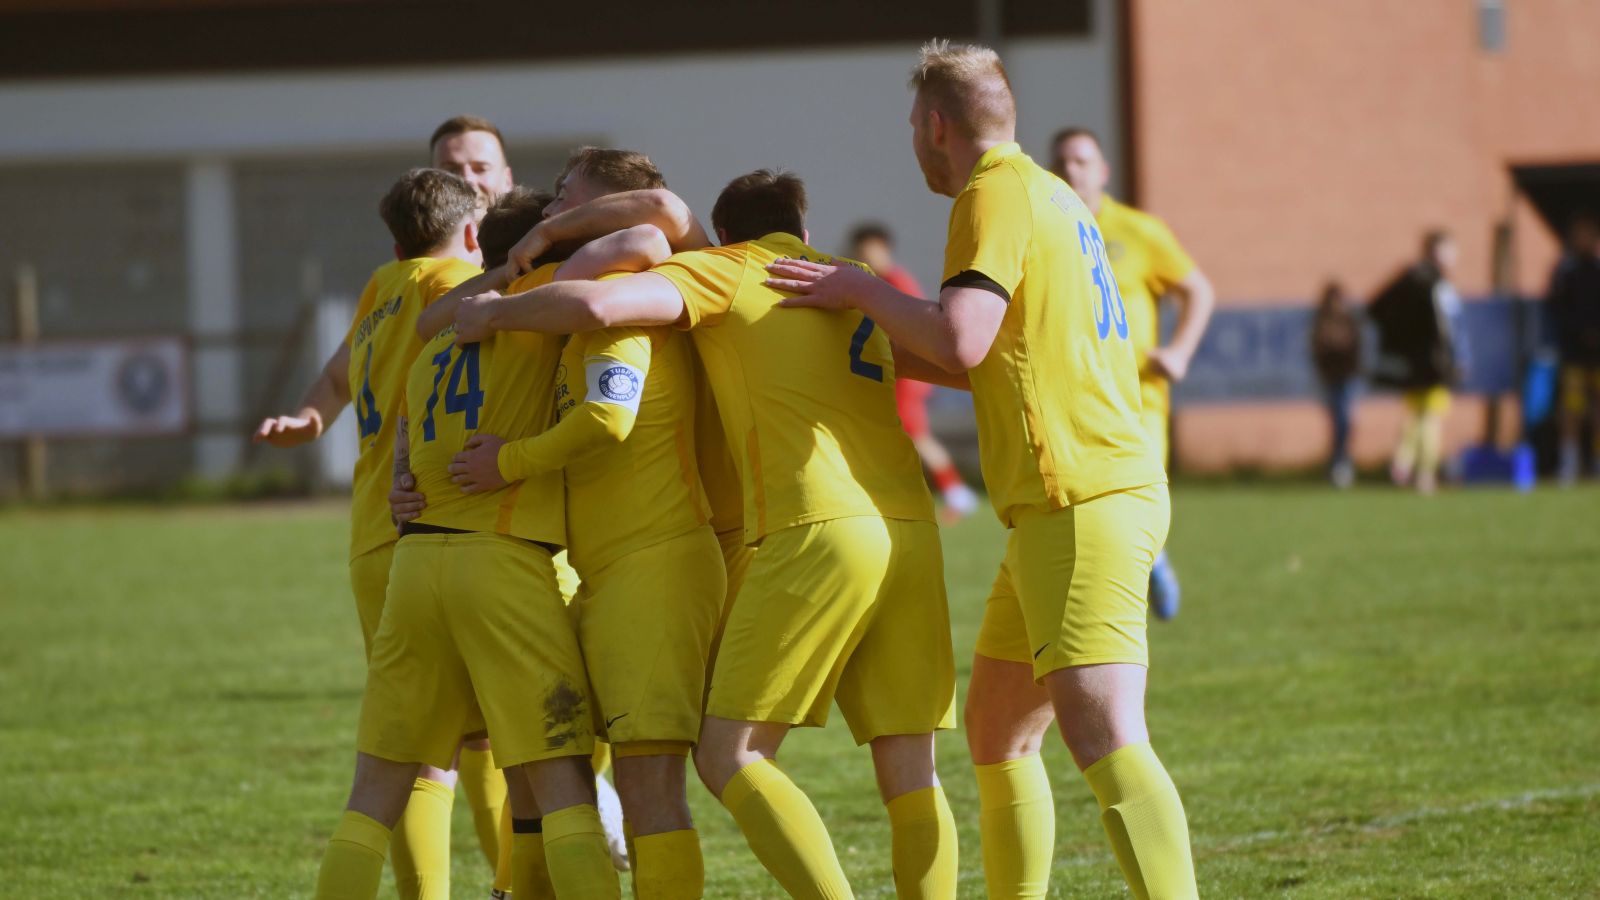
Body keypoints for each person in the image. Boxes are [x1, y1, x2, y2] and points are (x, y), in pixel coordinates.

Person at [763, 40, 1197, 900]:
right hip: (1068, 501)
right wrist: (869, 340)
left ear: (934, 126)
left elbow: (961, 335)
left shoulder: (990, 191)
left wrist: (860, 291)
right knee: (999, 729)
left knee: (1106, 733)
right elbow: (979, 359)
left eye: (911, 130)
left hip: (1081, 496)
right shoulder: (1053, 194)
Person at [456, 169, 959, 900]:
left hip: (816, 523)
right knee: (913, 772)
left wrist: (498, 310)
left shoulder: (725, 271)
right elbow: (957, 361)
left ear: (722, 236)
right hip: (911, 527)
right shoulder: (850, 279)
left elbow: (600, 301)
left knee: (730, 754)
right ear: (805, 231)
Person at [409, 149, 732, 900]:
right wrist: (509, 280)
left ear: (610, 199)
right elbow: (434, 322)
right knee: (553, 760)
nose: (554, 202)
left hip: (657, 561)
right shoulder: (567, 285)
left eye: (568, 192)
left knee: (655, 789)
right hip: (606, 571)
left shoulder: (627, 280)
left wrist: (509, 459)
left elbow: (608, 413)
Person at [311, 165, 619, 898]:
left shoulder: (433, 348)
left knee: (375, 795)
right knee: (560, 782)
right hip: (502, 563)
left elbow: (406, 465)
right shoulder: (541, 321)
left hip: (414, 572)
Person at [253, 164, 493, 899]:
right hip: (438, 526)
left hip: (372, 539)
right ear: (473, 233)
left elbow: (333, 377)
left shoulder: (381, 290)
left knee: (417, 746)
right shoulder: (456, 287)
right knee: (503, 739)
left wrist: (309, 418)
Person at [1051, 127, 1214, 621]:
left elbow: (1198, 291)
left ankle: (1150, 562)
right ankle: (1111, 598)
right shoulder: (1046, 231)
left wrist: (1180, 351)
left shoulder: (1139, 231)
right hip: (1075, 398)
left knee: (1139, 501)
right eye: (1061, 162)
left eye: (1081, 161)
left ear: (1103, 170)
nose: (1071, 171)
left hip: (1139, 396)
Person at [848, 222, 980, 521]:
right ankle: (954, 494)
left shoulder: (895, 280)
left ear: (884, 248)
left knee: (915, 435)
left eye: (869, 248)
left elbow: (913, 326)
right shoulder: (878, 280)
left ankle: (957, 494)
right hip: (897, 372)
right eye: (860, 249)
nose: (865, 254)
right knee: (908, 435)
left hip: (906, 377)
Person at [1370, 229, 1464, 495]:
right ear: (1436, 252)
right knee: (1431, 417)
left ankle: (1403, 461)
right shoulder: (1436, 285)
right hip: (1434, 362)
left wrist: (1398, 343)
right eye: (1450, 250)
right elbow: (1449, 329)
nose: (1455, 257)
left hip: (1412, 362)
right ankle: (1424, 473)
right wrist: (1456, 357)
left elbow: (1375, 308)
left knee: (1417, 415)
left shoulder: (1409, 278)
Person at [1547, 211, 1600, 485]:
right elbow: (1556, 309)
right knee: (1572, 408)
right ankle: (1569, 461)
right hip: (1574, 354)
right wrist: (1578, 333)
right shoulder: (1566, 270)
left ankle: (1597, 461)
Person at [1310, 281, 1363, 488]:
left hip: (1348, 378)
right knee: (1337, 422)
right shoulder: (1321, 322)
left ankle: (1343, 462)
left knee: (1347, 422)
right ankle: (1337, 464)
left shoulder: (1349, 321)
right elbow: (1317, 350)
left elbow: (1358, 348)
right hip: (1331, 378)